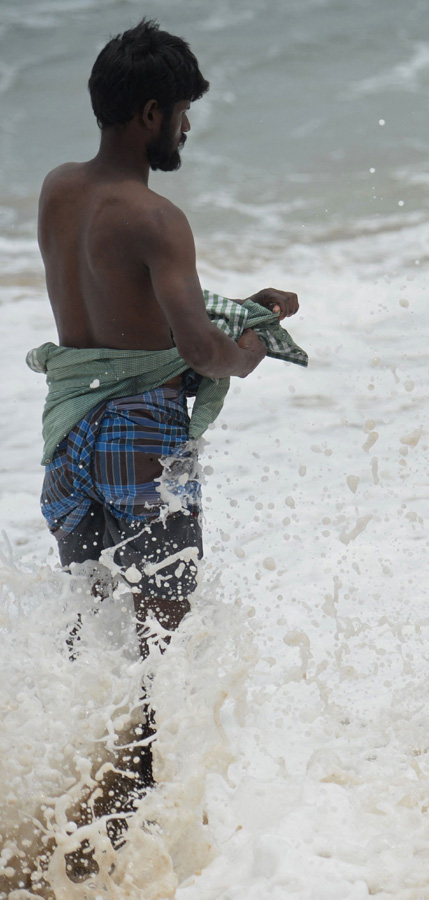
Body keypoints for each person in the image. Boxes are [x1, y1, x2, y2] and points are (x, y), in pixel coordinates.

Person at [33, 19, 302, 860]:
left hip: (68, 433)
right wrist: (250, 347)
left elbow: (120, 308)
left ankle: (66, 788)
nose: (186, 128)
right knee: (163, 626)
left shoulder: (57, 190)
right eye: (182, 112)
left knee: (91, 617)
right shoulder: (155, 214)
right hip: (140, 431)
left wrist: (236, 303)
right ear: (150, 113)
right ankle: (133, 807)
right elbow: (198, 350)